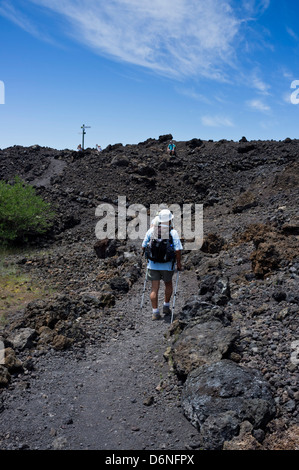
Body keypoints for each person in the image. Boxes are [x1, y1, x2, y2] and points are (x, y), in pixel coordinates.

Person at [142, 209, 183, 320]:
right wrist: (179, 263)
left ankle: (155, 312)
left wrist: (147, 256)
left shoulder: (151, 231)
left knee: (154, 289)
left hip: (153, 265)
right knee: (168, 284)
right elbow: (178, 250)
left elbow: (143, 246)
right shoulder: (172, 232)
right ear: (170, 220)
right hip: (167, 265)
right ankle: (166, 306)